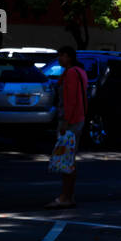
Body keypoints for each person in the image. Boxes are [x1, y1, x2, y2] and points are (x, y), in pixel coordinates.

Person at [46, 46, 88, 210]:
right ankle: (69, 195)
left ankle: (65, 196)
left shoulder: (71, 73)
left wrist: (65, 122)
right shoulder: (80, 72)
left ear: (69, 57)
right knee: (70, 159)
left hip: (71, 121)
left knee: (66, 159)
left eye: (61, 56)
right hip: (78, 119)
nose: (59, 59)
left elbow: (71, 99)